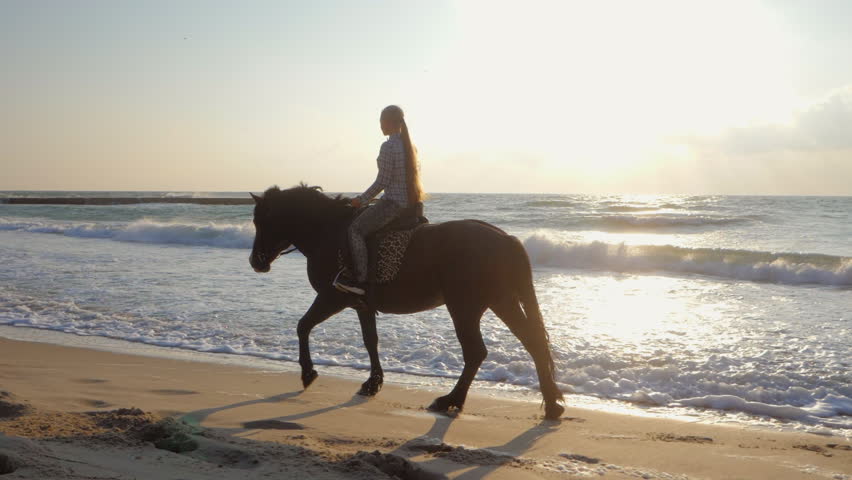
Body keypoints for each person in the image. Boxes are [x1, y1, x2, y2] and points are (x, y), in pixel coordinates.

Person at [333, 105, 425, 295]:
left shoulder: (388, 146)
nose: (380, 126)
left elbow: (382, 181)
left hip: (393, 204)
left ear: (389, 122)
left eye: (381, 122)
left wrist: (361, 200)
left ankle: (360, 280)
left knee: (355, 230)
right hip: (410, 204)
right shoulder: (410, 146)